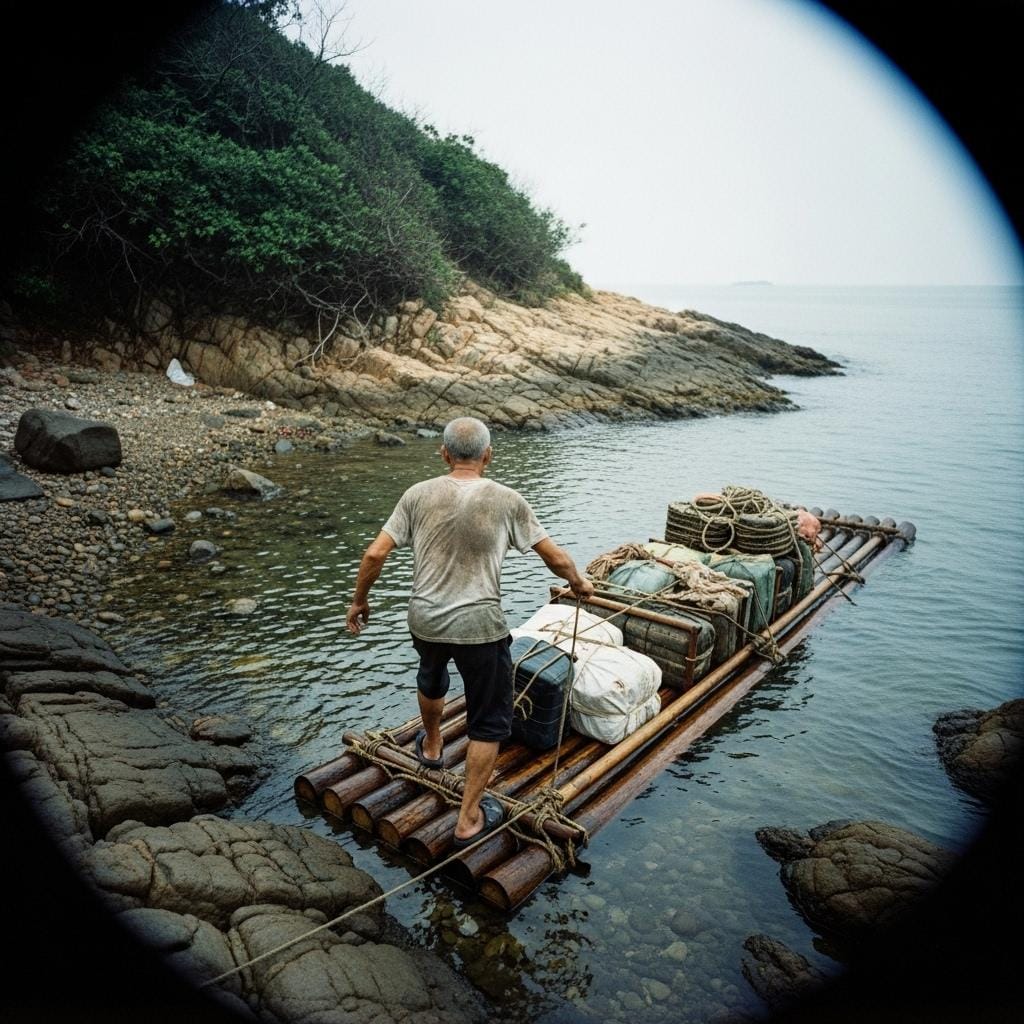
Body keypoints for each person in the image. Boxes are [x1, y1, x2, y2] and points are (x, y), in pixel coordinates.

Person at [346, 416, 594, 847]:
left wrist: (359, 601)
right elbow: (553, 557)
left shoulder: (417, 495)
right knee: (488, 720)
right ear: (487, 455)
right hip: (480, 628)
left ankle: (432, 748)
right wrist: (578, 583)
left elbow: (373, 554)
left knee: (432, 674)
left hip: (425, 619)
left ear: (444, 454)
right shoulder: (507, 500)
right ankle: (468, 819)